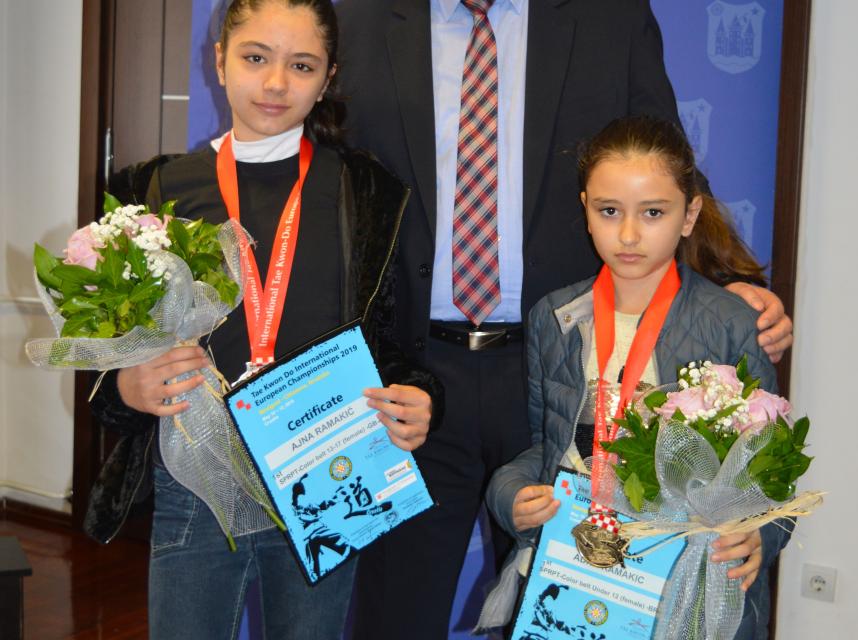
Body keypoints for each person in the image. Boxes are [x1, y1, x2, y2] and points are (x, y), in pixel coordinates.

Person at [334, 1, 793, 637]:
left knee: (558, 614)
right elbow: (327, 181)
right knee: (393, 616)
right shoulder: (356, 19)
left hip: (559, 371)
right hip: (409, 383)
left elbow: (664, 162)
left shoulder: (612, 17)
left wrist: (729, 280)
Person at [83, 1, 441, 638]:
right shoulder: (153, 190)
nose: (276, 83)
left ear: (327, 78)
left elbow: (389, 343)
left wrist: (415, 396)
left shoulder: (365, 191)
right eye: (255, 58)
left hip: (328, 471)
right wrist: (124, 386)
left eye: (301, 66)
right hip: (197, 478)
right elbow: (108, 347)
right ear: (220, 60)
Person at [486, 116, 791, 638]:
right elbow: (544, 446)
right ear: (586, 209)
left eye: (653, 212)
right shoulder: (554, 318)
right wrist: (508, 493)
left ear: (689, 214)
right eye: (609, 211)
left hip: (681, 577)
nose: (628, 235)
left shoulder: (730, 322)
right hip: (579, 568)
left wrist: (762, 536)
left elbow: (772, 467)